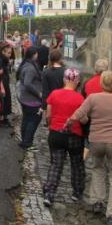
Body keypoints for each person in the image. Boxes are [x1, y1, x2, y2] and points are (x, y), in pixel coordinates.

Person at [69, 71, 112, 225]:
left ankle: (97, 201)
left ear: (102, 84)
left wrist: (69, 123)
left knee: (98, 169)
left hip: (96, 141)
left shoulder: (93, 98)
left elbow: (79, 114)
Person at [43, 68, 86, 206]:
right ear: (78, 81)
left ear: (64, 79)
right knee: (77, 164)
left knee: (56, 164)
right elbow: (84, 119)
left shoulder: (54, 94)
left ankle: (49, 194)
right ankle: (77, 192)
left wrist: (50, 125)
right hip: (74, 135)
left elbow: (48, 114)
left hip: (56, 133)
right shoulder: (80, 98)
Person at [17, 46, 43, 151]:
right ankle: (27, 143)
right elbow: (28, 83)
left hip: (25, 98)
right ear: (34, 55)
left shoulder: (26, 64)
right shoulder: (30, 68)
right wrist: (39, 93)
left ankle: (24, 141)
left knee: (27, 119)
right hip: (31, 100)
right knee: (33, 120)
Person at [41, 49, 65, 122]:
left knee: (51, 123)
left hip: (50, 102)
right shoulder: (65, 71)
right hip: (63, 100)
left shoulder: (46, 72)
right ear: (60, 58)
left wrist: (44, 107)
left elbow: (45, 91)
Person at [0, 41, 14, 128]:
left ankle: (4, 119)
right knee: (2, 101)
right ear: (3, 51)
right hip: (2, 83)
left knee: (6, 101)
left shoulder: (3, 59)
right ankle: (0, 120)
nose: (10, 55)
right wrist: (2, 87)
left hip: (5, 82)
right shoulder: (0, 60)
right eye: (8, 53)